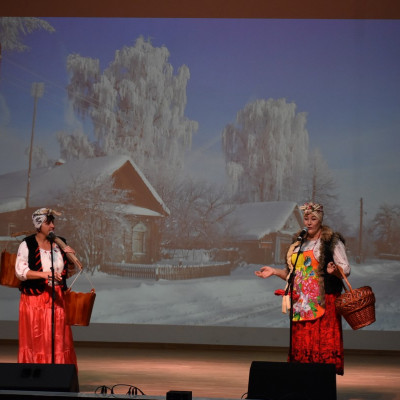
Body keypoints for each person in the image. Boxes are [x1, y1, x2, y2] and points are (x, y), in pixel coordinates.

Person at [255, 202, 350, 375]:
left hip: (323, 303)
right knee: (301, 351)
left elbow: (346, 269)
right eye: (306, 218)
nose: (309, 222)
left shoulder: (331, 241)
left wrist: (335, 270)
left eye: (313, 218)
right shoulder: (299, 244)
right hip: (301, 304)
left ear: (320, 219)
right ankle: (302, 383)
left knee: (320, 349)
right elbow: (294, 275)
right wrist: (274, 271)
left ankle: (321, 383)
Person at [15, 208, 78, 368]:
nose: (52, 226)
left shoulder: (60, 243)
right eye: (48, 223)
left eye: (52, 222)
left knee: (58, 338)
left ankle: (58, 373)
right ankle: (37, 374)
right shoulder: (27, 244)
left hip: (56, 298)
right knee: (38, 338)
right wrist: (44, 275)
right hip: (35, 299)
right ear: (39, 225)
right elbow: (20, 272)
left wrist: (71, 259)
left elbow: (67, 272)